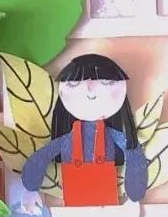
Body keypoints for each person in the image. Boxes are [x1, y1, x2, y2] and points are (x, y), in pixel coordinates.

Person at [22, 54, 148, 208]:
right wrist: (30, 189)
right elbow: (43, 156)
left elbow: (133, 153)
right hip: (73, 206)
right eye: (74, 84)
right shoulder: (67, 140)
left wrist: (135, 194)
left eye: (106, 82)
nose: (90, 90)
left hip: (107, 206)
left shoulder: (113, 137)